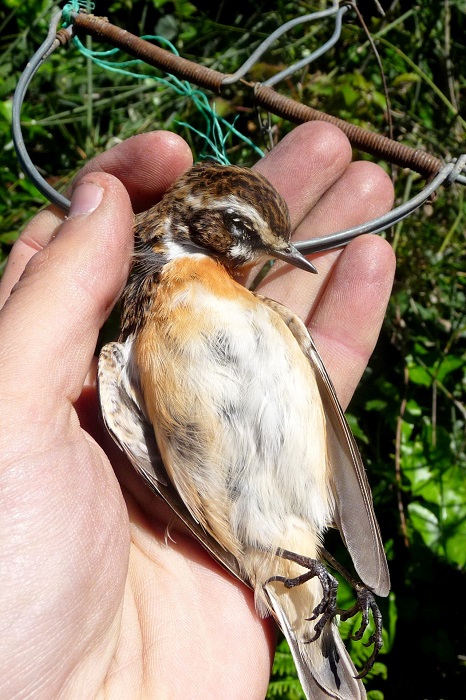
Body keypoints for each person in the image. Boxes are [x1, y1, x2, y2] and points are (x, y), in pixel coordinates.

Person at [0, 122, 395, 698]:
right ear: (198, 223)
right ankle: (310, 581)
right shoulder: (125, 358)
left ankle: (323, 573)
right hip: (244, 536)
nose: (269, 259)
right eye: (246, 233)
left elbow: (321, 418)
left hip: (296, 514)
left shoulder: (266, 310)